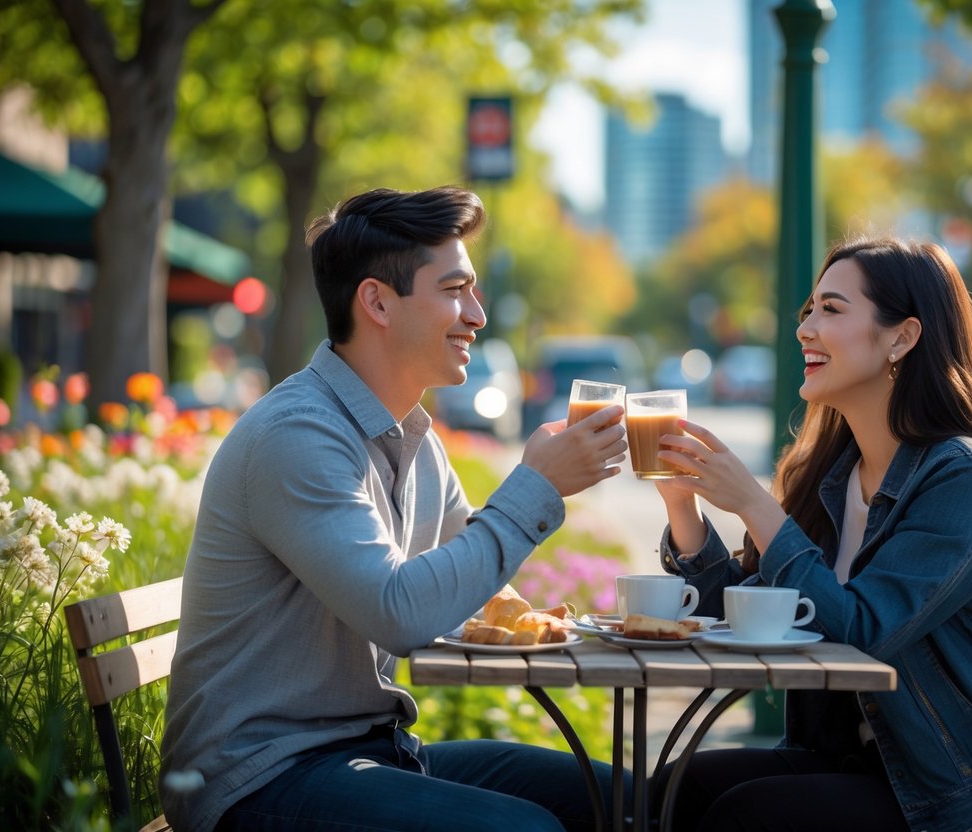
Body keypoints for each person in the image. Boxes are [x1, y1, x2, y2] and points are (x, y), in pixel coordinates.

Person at [159, 186, 628, 832]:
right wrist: (536, 488)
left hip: (368, 752)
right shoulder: (298, 436)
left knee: (618, 799)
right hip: (257, 777)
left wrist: (546, 609)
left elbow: (469, 582)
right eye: (455, 290)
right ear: (377, 301)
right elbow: (399, 612)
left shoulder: (411, 439)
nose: (477, 315)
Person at [651, 237, 972, 832]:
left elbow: (864, 634)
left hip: (965, 797)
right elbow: (740, 619)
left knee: (746, 817)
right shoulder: (829, 473)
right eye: (808, 311)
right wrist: (682, 505)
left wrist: (754, 505)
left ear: (902, 337)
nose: (805, 329)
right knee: (674, 790)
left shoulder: (964, 478)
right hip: (853, 764)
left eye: (832, 310)